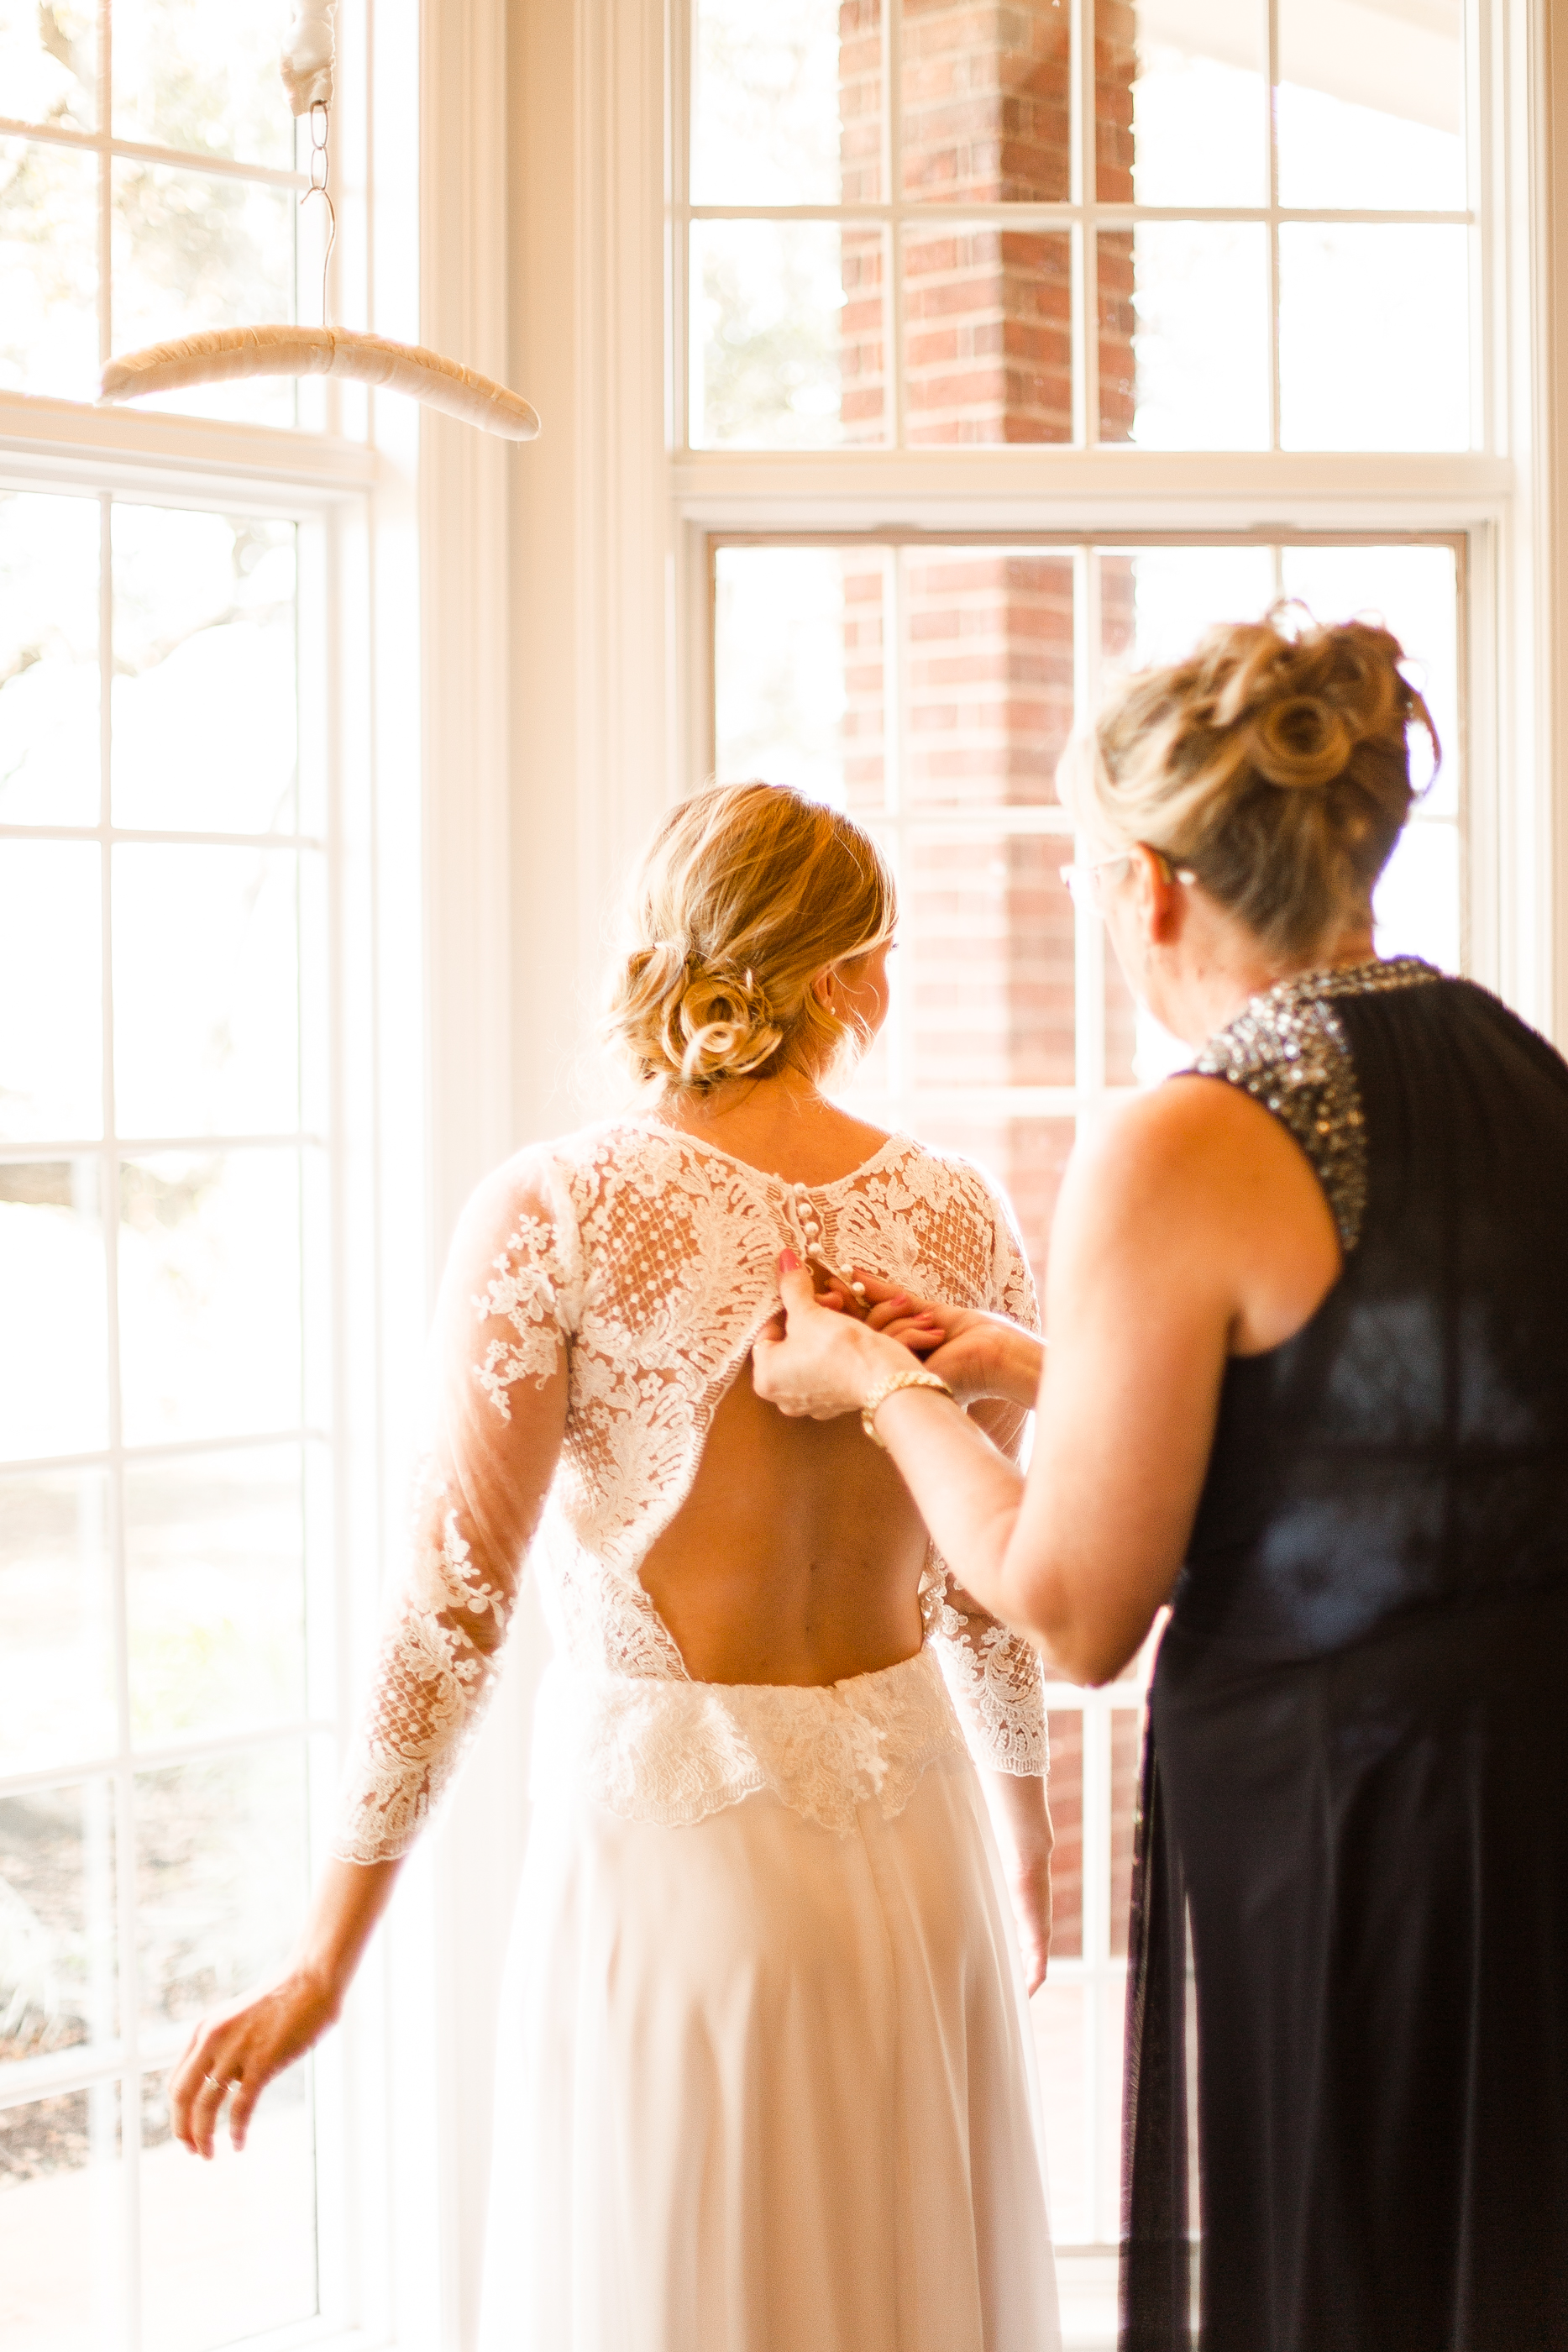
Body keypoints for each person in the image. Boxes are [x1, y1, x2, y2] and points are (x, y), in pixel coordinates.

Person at [753, 610, 1568, 2352]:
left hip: (1352, 1827)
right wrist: (1033, 1362)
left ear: (1145, 884)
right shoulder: (1520, 1072)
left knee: (1353, 2274)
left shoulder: (1186, 1135)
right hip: (1533, 1807)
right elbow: (1396, 1428)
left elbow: (1070, 1609)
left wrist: (887, 1389)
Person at [167, 781, 1062, 2352]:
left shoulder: (558, 1208)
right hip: (921, 1862)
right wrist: (1026, 1830)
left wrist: (322, 1960)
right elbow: (986, 1573)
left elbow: (450, 1610)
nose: (892, 975)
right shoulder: (958, 1211)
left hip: (675, 1868)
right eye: (884, 946)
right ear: (837, 974)